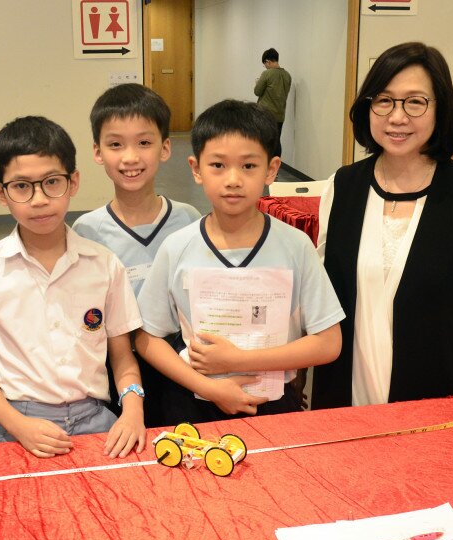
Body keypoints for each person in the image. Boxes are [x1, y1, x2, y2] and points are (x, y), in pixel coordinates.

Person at [312, 42, 453, 409]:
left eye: (415, 102)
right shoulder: (343, 186)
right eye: (383, 100)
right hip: (345, 389)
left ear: (440, 109)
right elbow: (325, 294)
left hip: (434, 392)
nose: (397, 117)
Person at [135, 100, 343, 426]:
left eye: (248, 166)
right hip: (194, 403)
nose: (233, 179)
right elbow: (148, 337)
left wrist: (239, 359)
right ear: (196, 168)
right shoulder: (178, 247)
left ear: (272, 170)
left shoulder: (295, 246)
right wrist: (209, 386)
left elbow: (329, 343)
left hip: (274, 405)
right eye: (218, 165)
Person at [0, 116, 146, 459]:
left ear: (73, 182)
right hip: (17, 423)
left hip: (97, 419)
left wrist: (133, 410)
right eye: (21, 186)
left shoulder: (105, 265)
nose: (39, 199)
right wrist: (18, 425)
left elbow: (123, 361)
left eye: (52, 182)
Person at [73, 83, 200, 425]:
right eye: (116, 144)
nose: (130, 157)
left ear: (165, 147)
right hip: (117, 366)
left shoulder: (189, 220)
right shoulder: (86, 232)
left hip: (179, 365)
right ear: (97, 151)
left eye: (144, 142)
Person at [254, 48, 292, 159]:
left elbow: (257, 91)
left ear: (268, 61)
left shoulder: (267, 74)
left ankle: (264, 167)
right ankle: (275, 168)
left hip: (265, 114)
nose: (265, 66)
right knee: (276, 141)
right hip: (280, 114)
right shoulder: (287, 75)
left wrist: (257, 83)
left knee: (264, 141)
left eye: (264, 64)